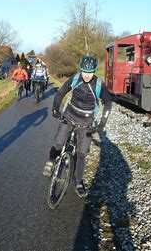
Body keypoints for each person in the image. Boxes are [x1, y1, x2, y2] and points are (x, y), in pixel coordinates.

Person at [42, 55, 112, 198]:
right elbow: (60, 93)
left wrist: (102, 123)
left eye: (90, 71)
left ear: (94, 71)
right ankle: (50, 161)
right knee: (58, 143)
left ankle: (79, 182)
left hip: (86, 121)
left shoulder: (99, 84)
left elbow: (108, 103)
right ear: (80, 70)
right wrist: (56, 108)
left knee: (81, 153)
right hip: (70, 115)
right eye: (84, 71)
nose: (87, 75)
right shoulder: (75, 79)